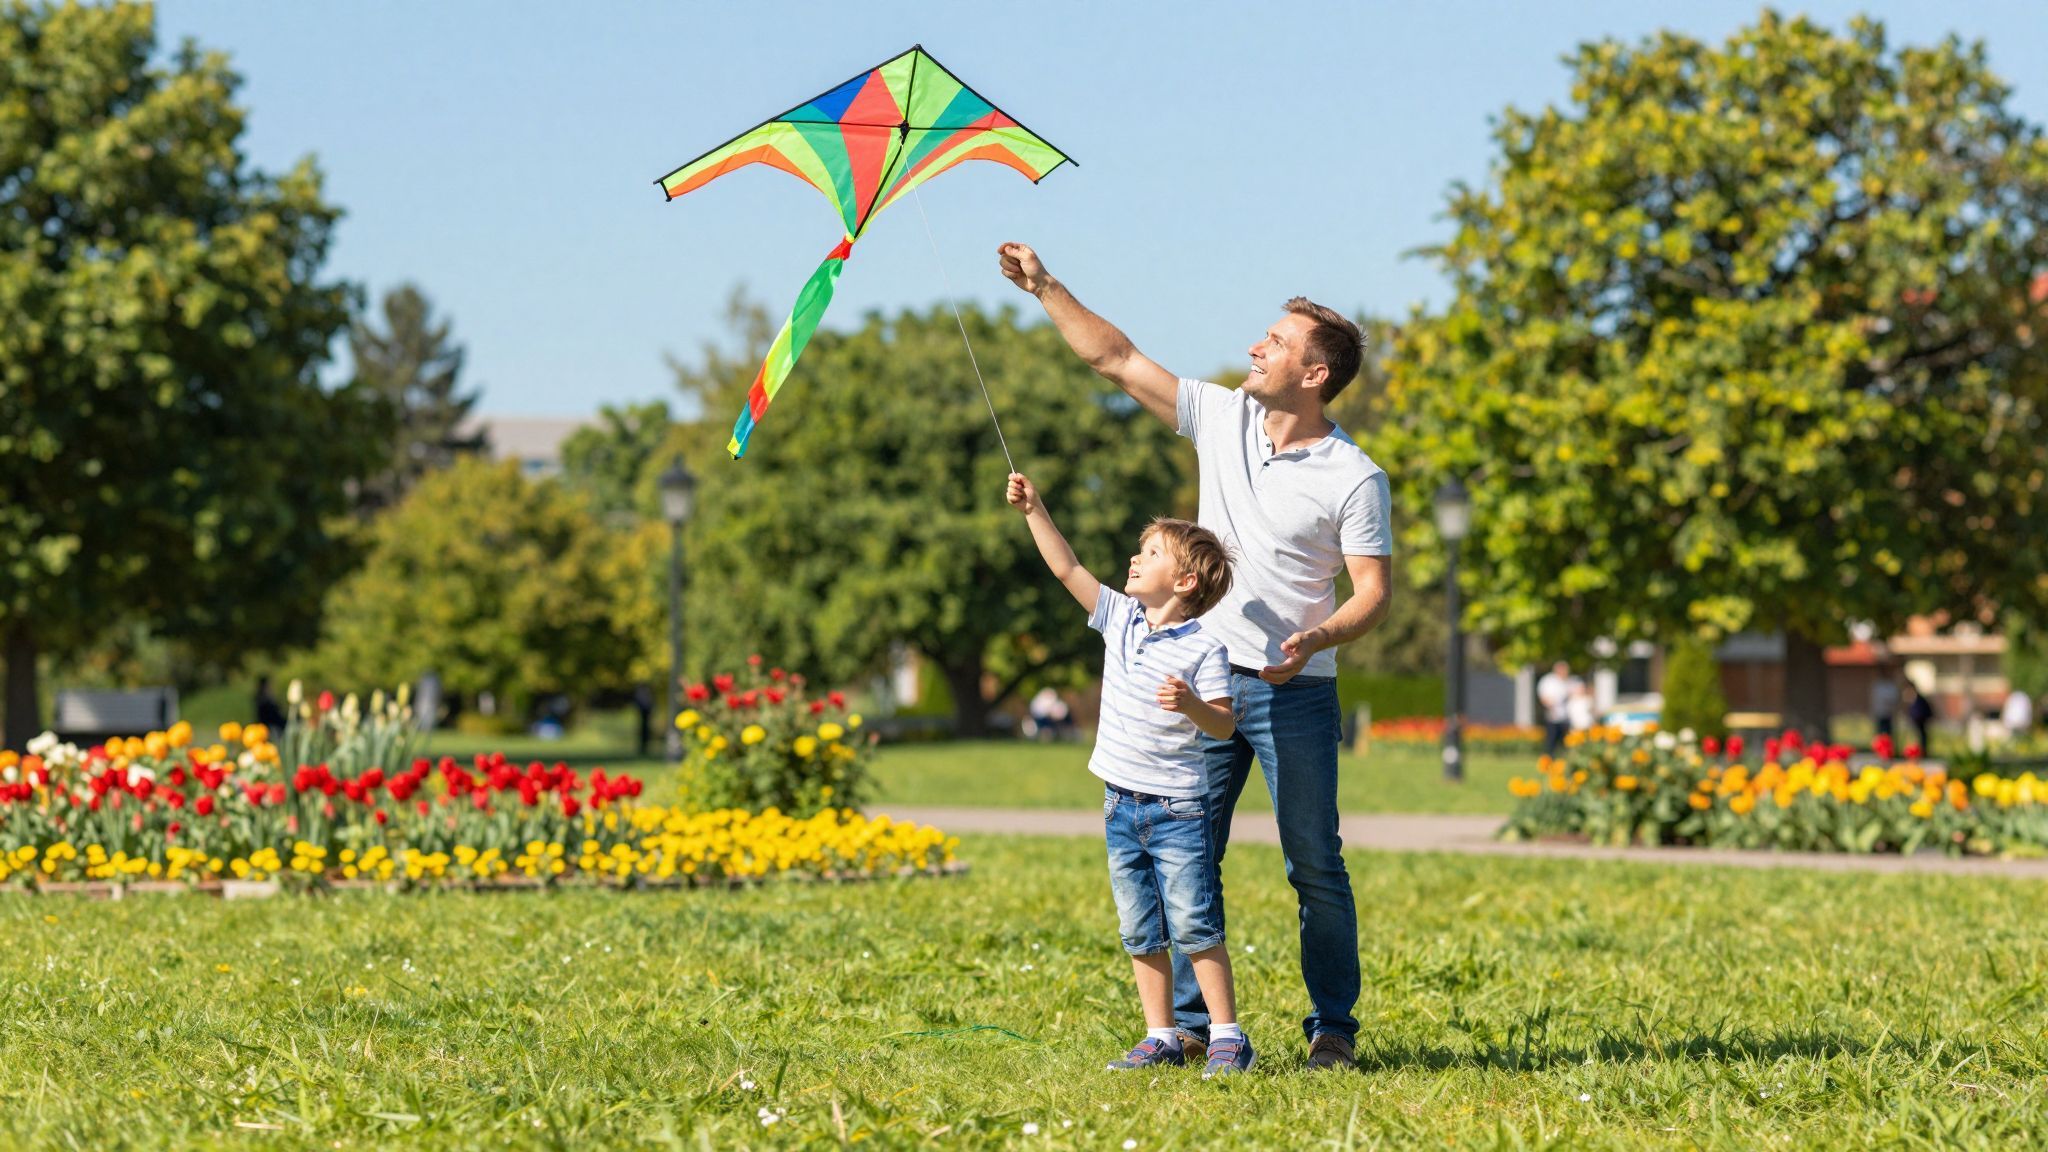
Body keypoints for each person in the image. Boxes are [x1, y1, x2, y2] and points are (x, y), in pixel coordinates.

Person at [1001, 242, 1392, 1071]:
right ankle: (1183, 1029)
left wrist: (1317, 638)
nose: (1257, 347)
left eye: (1277, 342)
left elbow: (1371, 595)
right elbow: (1115, 358)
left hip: (1295, 695)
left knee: (1314, 864)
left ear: (1316, 374)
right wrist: (1045, 286)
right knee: (1187, 854)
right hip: (1199, 684)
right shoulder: (1224, 417)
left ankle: (1333, 1030)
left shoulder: (1353, 477)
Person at [1005, 470, 1254, 1077]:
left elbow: (1223, 726)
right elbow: (1067, 570)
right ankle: (1161, 1034)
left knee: (1196, 922)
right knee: (1140, 929)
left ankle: (1227, 1036)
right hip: (1121, 806)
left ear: (1186, 581)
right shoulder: (1119, 620)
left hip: (1178, 811)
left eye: (1150, 554)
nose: (1133, 559)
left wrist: (1192, 705)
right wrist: (1036, 508)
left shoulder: (1205, 650)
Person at [1536, 662, 1574, 755]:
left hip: (1566, 717)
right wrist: (1551, 706)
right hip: (1552, 716)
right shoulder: (1548, 681)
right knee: (1551, 741)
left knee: (1565, 742)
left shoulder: (1567, 681)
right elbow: (1544, 698)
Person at [1904, 681, 1935, 756]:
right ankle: (1913, 753)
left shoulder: (1920, 699)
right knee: (1913, 738)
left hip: (1921, 722)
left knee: (1922, 738)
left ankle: (1922, 752)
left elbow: (1925, 710)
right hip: (1914, 722)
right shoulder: (1910, 699)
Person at [1870, 670, 1900, 741]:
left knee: (1889, 733)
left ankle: (1888, 747)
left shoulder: (1890, 686)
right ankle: (1881, 747)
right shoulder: (1877, 686)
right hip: (1880, 713)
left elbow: (1895, 698)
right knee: (1880, 733)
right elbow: (1875, 699)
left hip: (1889, 713)